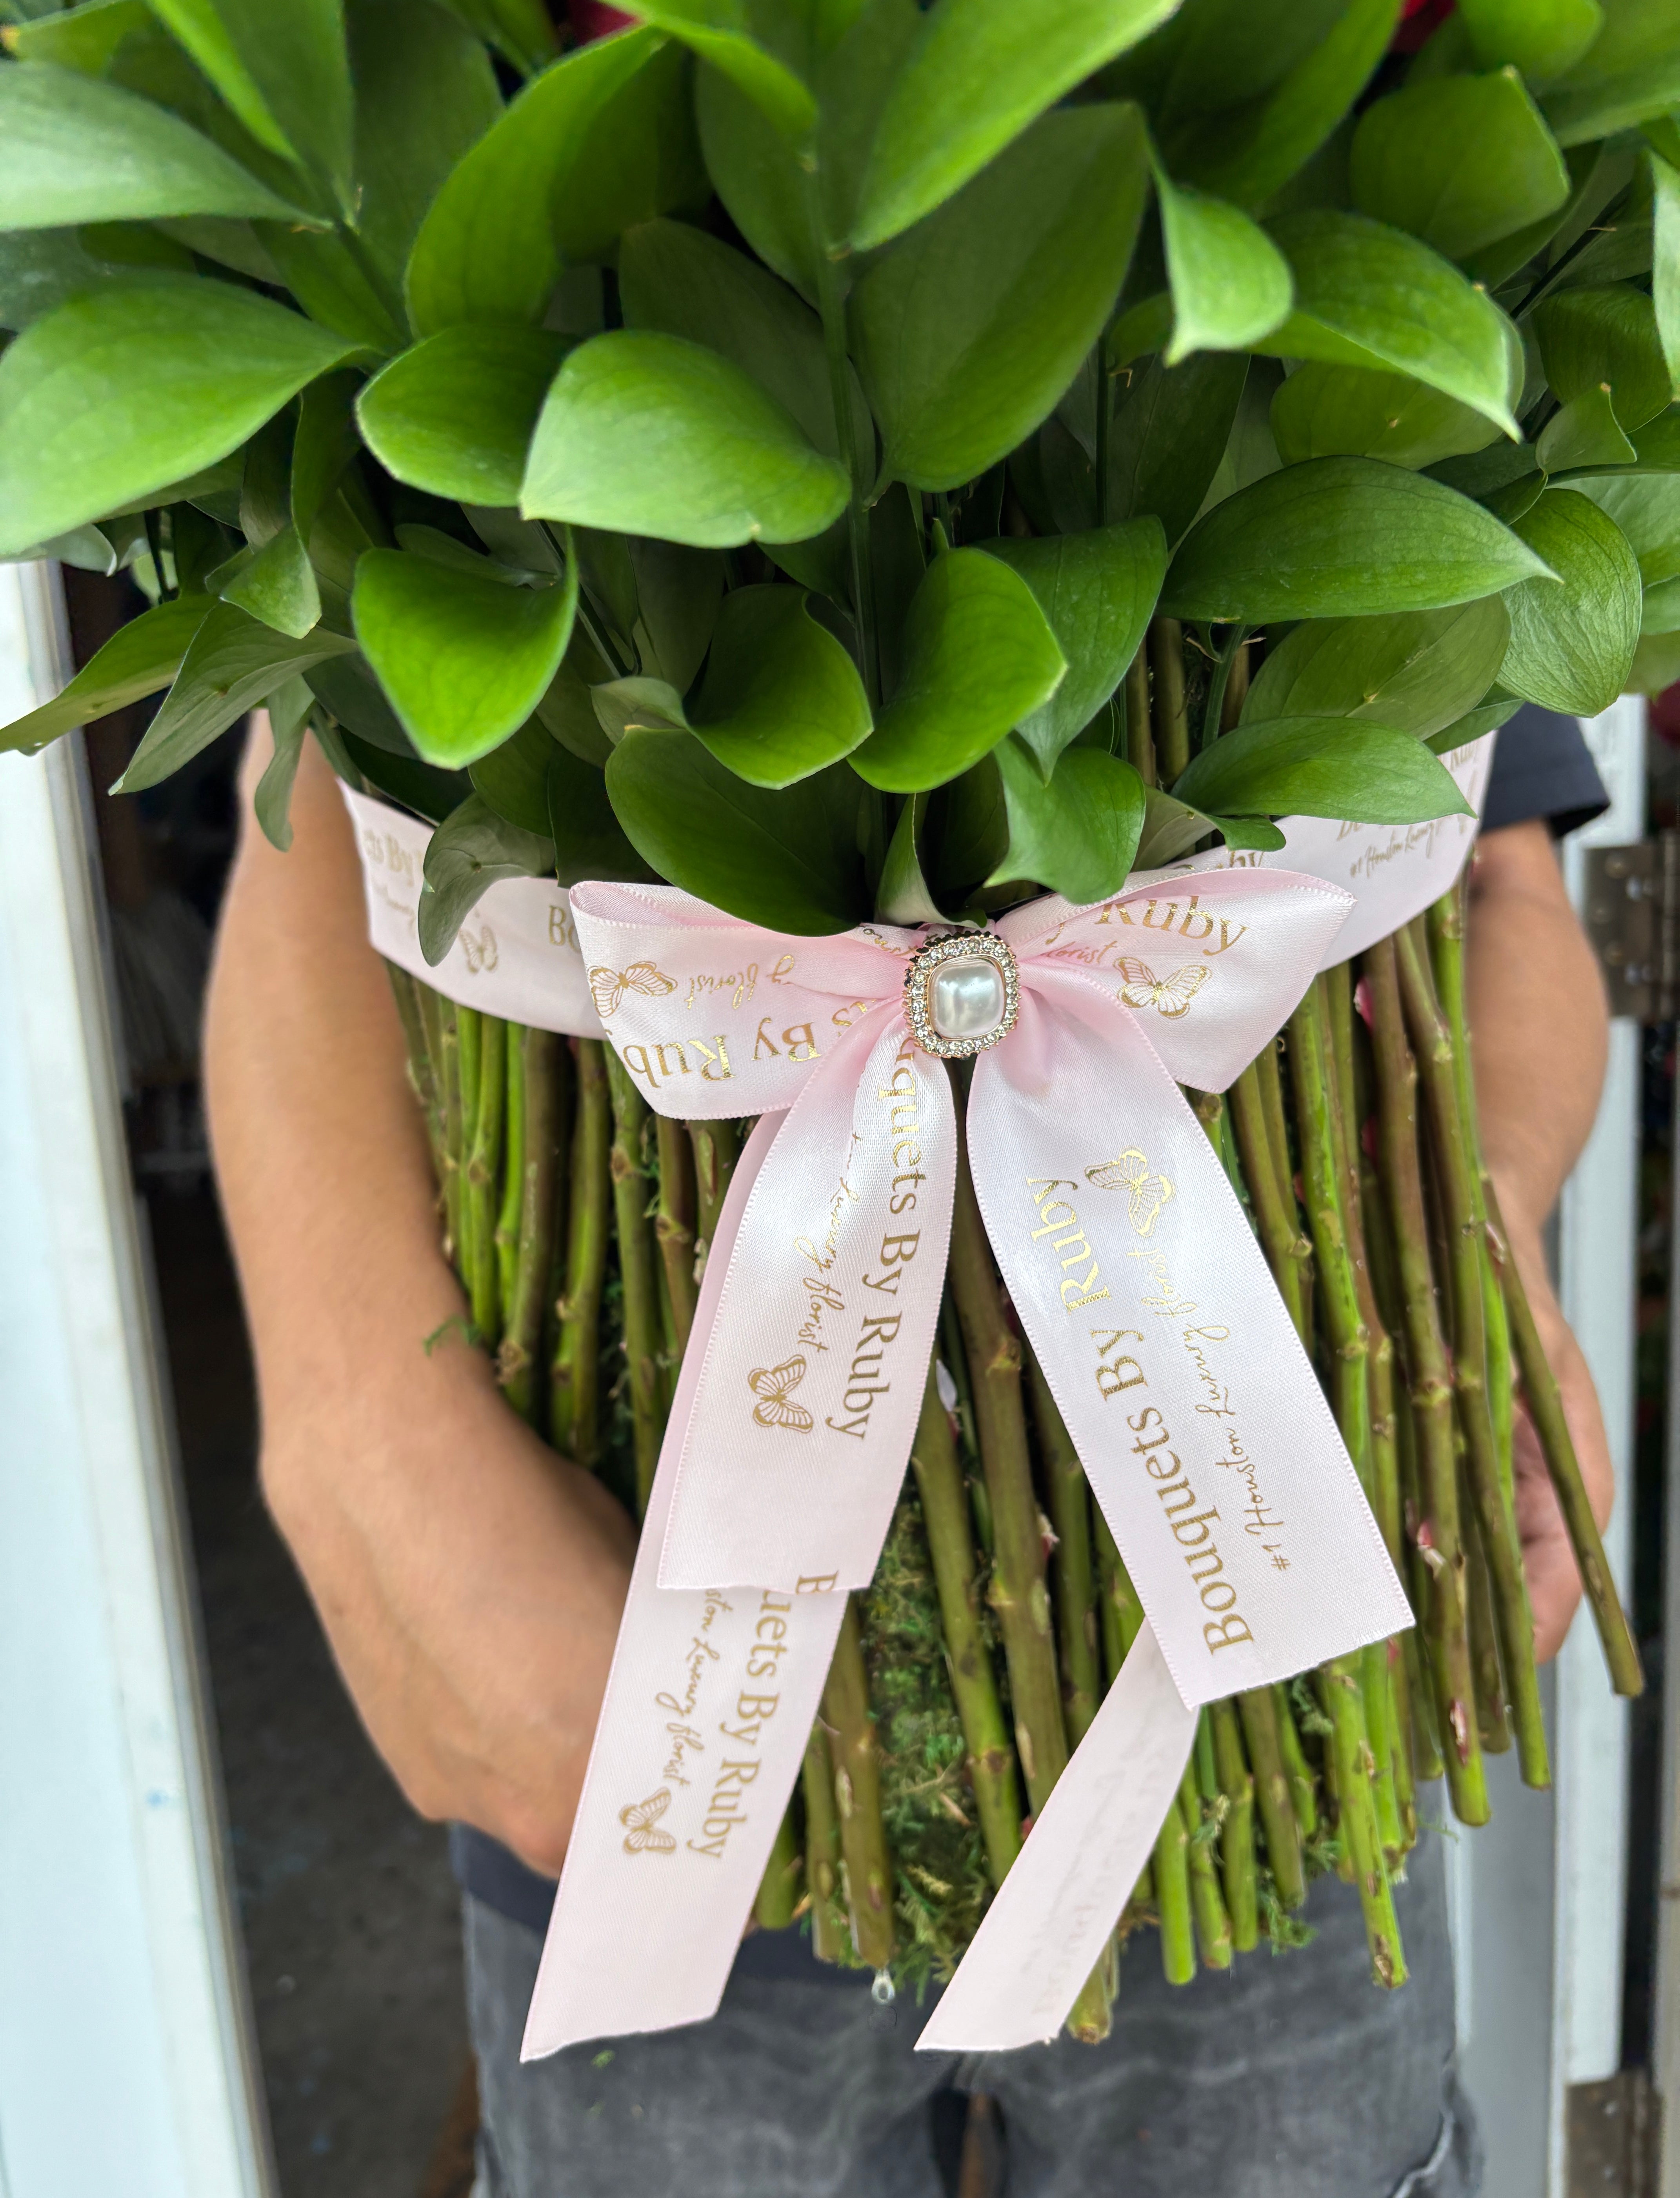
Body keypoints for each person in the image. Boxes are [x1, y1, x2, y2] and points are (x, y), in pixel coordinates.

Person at [203, 701, 1616, 2198]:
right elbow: (319, 785)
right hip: (628, 1663)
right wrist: (356, 1417)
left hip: (1261, 1646)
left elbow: (1490, 879)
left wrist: (1482, 1243)